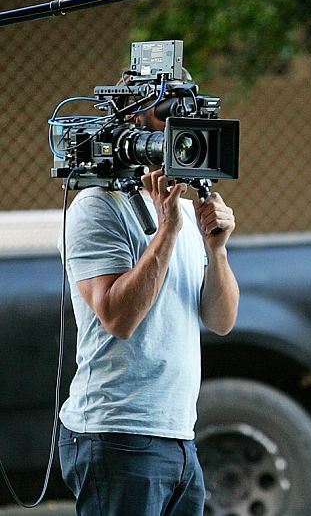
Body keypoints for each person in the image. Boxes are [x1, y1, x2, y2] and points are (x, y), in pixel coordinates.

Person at [57, 75, 240, 516]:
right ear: (133, 119)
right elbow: (118, 318)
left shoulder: (178, 203)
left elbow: (221, 320)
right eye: (166, 116)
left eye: (188, 117)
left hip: (178, 435)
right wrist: (168, 233)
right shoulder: (96, 205)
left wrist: (217, 250)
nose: (179, 129)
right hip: (117, 433)